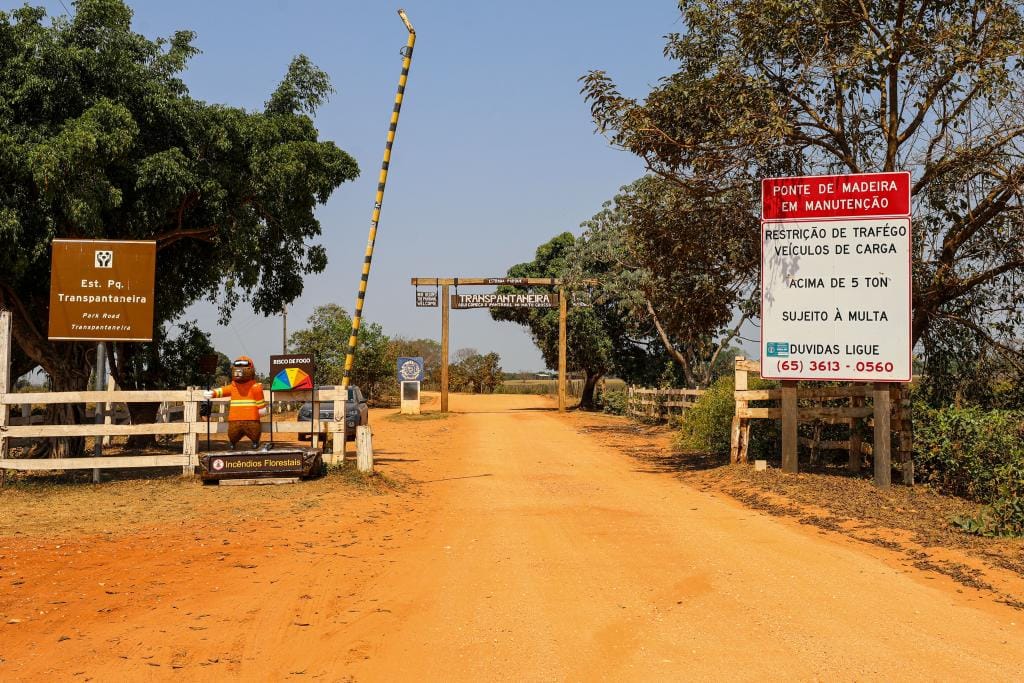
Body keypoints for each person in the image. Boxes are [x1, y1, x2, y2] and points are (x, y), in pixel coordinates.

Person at [203, 356, 267, 449]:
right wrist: (213, 393)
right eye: (237, 366)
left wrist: (261, 408)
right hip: (235, 419)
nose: (239, 370)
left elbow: (259, 398)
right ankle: (233, 443)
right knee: (233, 433)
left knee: (254, 432)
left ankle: (254, 442)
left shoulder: (254, 387)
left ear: (251, 369)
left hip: (251, 418)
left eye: (243, 366)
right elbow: (223, 391)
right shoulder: (233, 387)